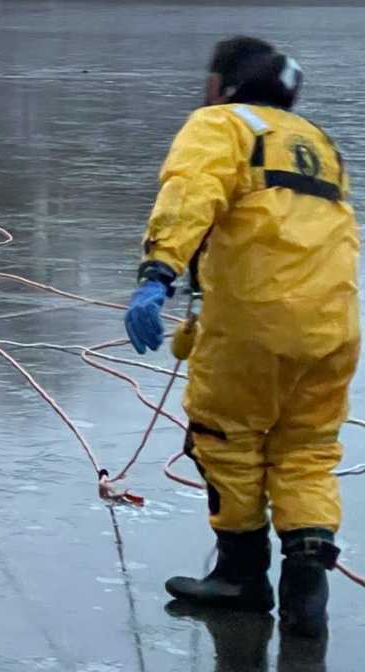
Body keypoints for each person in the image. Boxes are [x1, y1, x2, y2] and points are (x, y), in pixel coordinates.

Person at [124, 36, 360, 638]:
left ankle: (241, 577)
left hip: (256, 324)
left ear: (224, 82)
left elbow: (191, 194)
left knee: (225, 437)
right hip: (333, 327)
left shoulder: (221, 125)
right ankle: (307, 594)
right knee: (306, 450)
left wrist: (158, 274)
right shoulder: (317, 143)